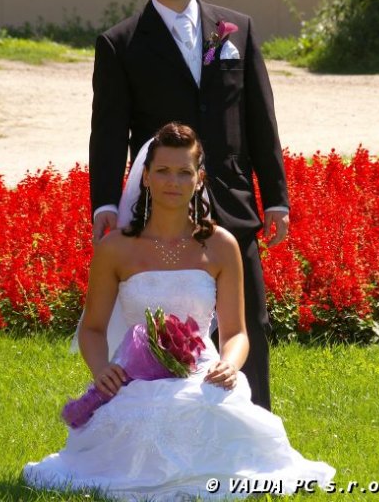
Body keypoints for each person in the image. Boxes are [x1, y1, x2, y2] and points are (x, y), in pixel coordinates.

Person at [24, 123, 334, 499]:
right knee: (142, 423)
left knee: (216, 420)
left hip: (203, 373)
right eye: (163, 171)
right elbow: (92, 328)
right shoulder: (115, 248)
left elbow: (236, 332)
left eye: (184, 172)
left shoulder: (221, 245)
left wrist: (229, 365)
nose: (173, 182)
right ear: (145, 177)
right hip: (134, 376)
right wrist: (102, 370)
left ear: (199, 178)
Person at [89, 0, 289, 410]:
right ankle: (168, 425)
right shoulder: (120, 43)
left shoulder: (237, 30)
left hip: (232, 199)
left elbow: (261, 120)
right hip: (165, 202)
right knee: (170, 328)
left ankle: (249, 427)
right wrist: (106, 204)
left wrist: (276, 198)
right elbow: (109, 132)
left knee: (249, 322)